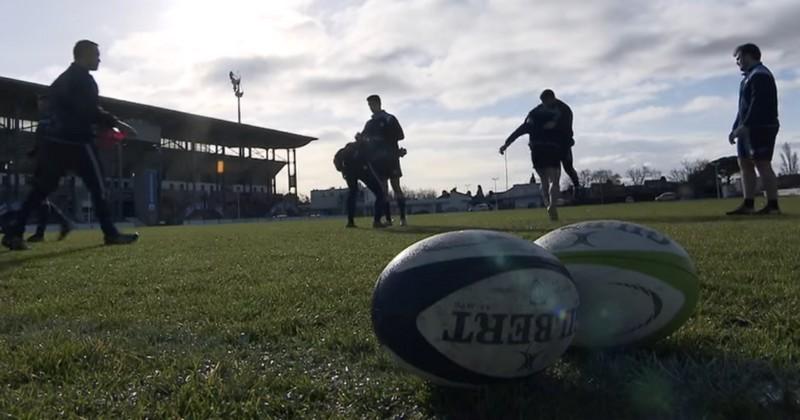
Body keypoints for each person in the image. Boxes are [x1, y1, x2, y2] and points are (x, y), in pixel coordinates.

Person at [2, 40, 139, 250]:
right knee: (98, 186)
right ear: (84, 55)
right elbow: (89, 110)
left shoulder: (64, 79)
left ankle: (14, 233)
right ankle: (111, 234)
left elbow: (65, 111)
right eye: (96, 55)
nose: (99, 59)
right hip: (77, 141)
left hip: (56, 143)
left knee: (41, 190)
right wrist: (115, 123)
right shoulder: (82, 80)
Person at [727, 43, 781, 216]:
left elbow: (759, 104)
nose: (737, 62)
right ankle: (748, 204)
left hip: (761, 127)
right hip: (746, 129)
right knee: (744, 163)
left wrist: (746, 125)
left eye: (739, 58)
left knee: (762, 163)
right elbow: (742, 107)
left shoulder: (761, 75)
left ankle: (773, 206)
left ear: (749, 56)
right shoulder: (747, 79)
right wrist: (735, 127)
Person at [500, 105, 562, 221]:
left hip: (537, 151)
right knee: (554, 180)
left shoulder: (530, 123)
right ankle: (553, 205)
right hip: (551, 150)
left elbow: (516, 134)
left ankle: (548, 204)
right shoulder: (553, 120)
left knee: (544, 180)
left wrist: (505, 145)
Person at [355, 95, 407, 226]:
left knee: (396, 186)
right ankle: (388, 219)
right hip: (377, 160)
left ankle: (403, 218)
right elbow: (364, 139)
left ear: (379, 104)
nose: (371, 108)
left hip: (391, 157)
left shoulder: (389, 119)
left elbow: (401, 135)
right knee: (383, 189)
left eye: (372, 104)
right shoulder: (370, 123)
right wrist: (360, 138)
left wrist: (383, 139)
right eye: (369, 105)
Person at [333, 140, 387, 229]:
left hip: (348, 170)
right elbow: (371, 162)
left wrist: (342, 170)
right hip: (362, 169)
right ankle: (377, 221)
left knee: (353, 193)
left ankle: (350, 221)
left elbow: (337, 160)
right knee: (380, 193)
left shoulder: (347, 149)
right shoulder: (368, 147)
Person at [539, 89, 581, 197]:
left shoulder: (565, 109)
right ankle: (552, 193)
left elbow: (566, 128)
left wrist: (553, 126)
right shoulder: (543, 108)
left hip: (564, 144)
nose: (544, 105)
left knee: (568, 167)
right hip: (551, 145)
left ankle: (578, 188)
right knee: (553, 169)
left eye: (545, 102)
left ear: (551, 99)